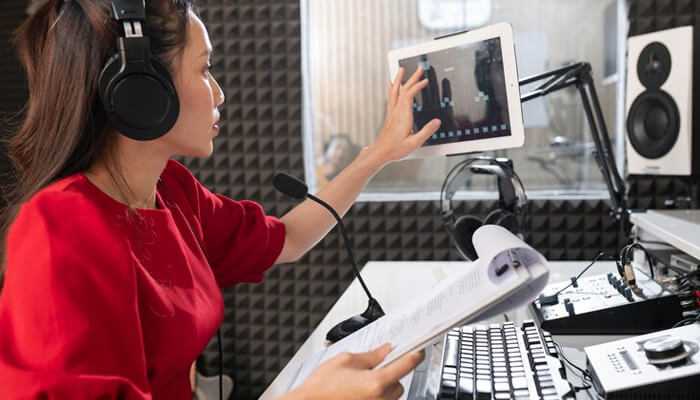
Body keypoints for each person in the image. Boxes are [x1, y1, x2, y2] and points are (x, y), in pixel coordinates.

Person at [0, 1, 441, 399]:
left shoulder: (172, 191)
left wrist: (379, 154)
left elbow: (287, 238)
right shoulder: (59, 228)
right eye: (204, 69)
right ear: (142, 90)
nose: (219, 93)